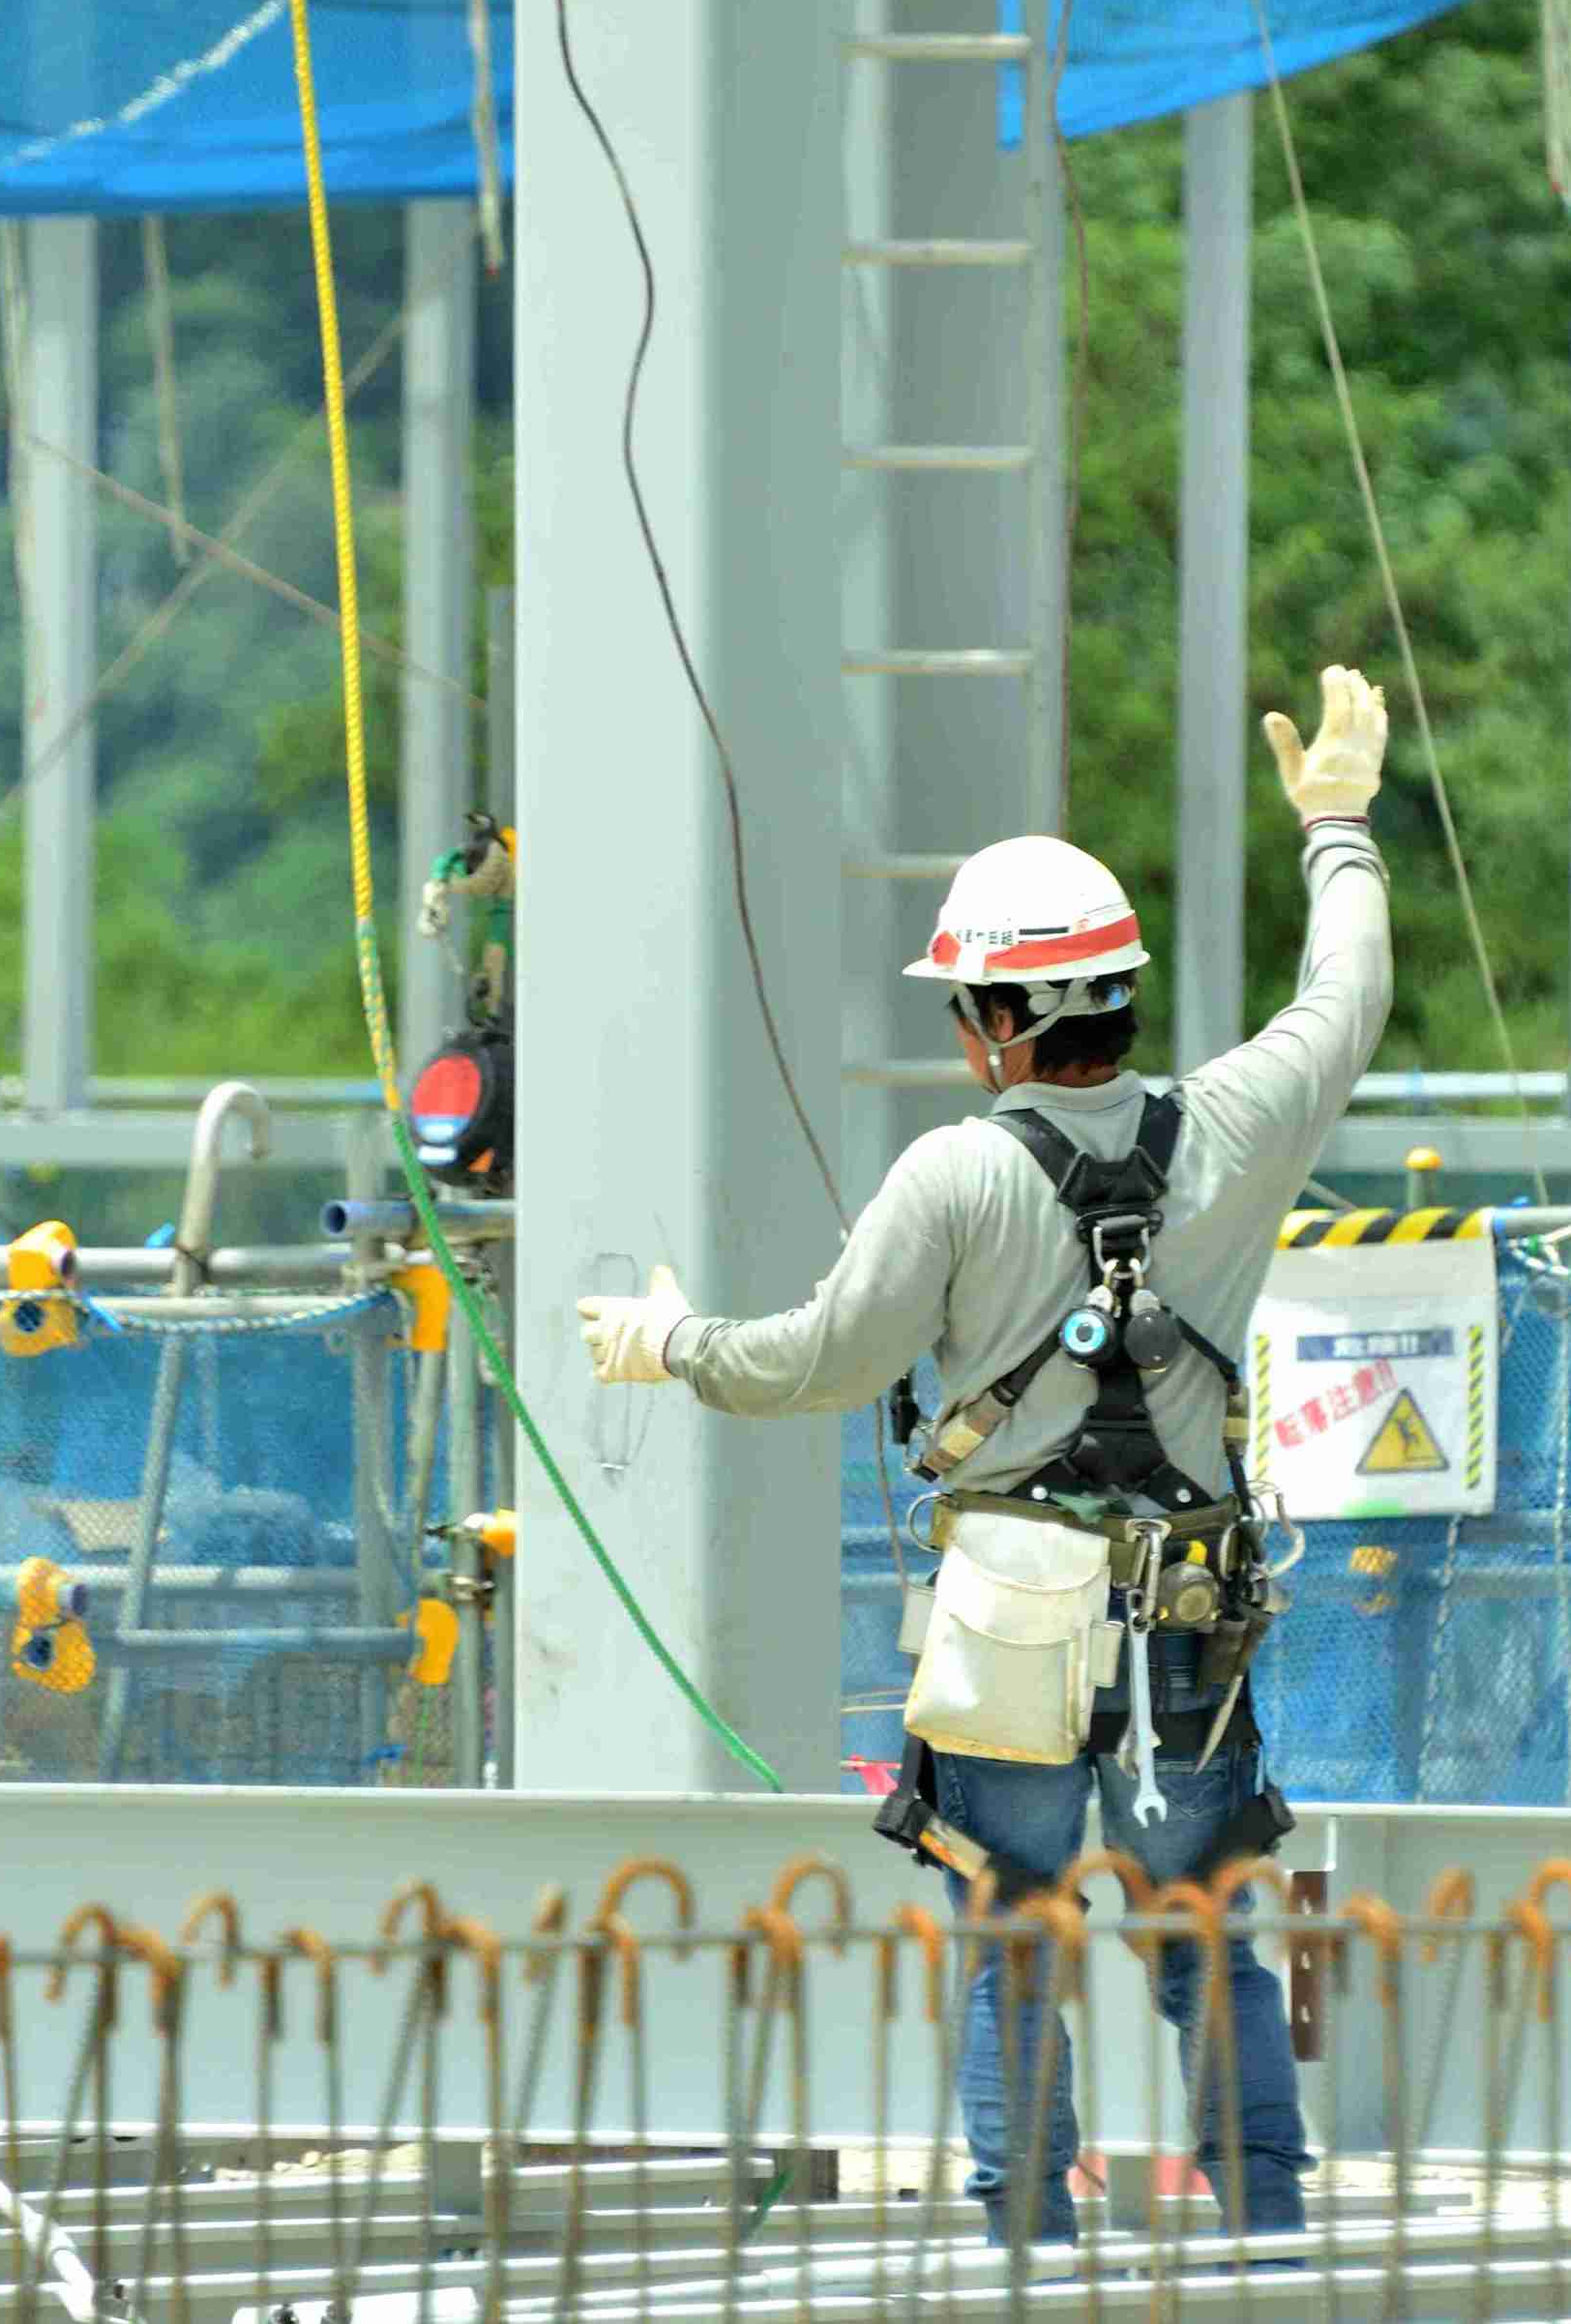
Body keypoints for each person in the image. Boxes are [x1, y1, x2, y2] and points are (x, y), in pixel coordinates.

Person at [578, 663, 1396, 2250]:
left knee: (1012, 1935)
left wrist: (672, 1344)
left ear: (1008, 1017)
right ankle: (1274, 2243)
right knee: (1204, 1930)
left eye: (966, 1008)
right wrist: (1341, 829)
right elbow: (1343, 997)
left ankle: (1026, 2248)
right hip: (1189, 1627)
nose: (965, 1036)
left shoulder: (954, 1178)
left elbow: (814, 1364)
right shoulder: (1235, 1125)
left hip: (1012, 1622)